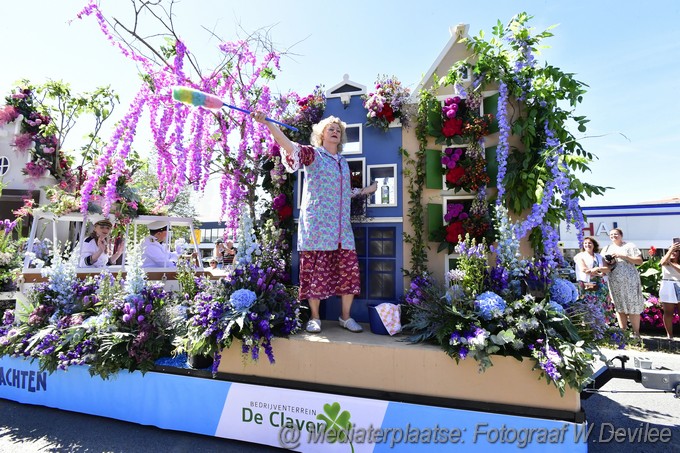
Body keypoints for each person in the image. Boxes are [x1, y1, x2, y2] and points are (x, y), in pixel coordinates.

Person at [252, 111, 377, 333]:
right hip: (318, 227)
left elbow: (345, 191)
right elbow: (290, 147)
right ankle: (315, 317)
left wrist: (367, 190)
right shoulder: (314, 155)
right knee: (316, 273)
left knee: (349, 271)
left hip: (341, 230)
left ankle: (345, 318)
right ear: (321, 135)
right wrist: (269, 124)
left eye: (338, 130)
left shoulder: (343, 163)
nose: (336, 131)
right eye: (331, 129)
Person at [601, 228, 645, 338]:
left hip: (630, 280)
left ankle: (637, 334)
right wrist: (610, 262)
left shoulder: (630, 246)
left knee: (633, 306)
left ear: (621, 235)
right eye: (611, 235)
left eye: (616, 234)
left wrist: (623, 256)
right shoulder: (607, 248)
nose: (613, 236)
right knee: (619, 307)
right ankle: (623, 334)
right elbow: (605, 265)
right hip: (615, 281)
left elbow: (639, 261)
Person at [658, 241, 680, 339]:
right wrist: (670, 250)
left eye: (676, 251)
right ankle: (670, 335)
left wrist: (671, 264)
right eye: (671, 250)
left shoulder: (671, 263)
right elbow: (662, 262)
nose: (673, 253)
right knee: (668, 312)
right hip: (667, 285)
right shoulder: (665, 260)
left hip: (679, 284)